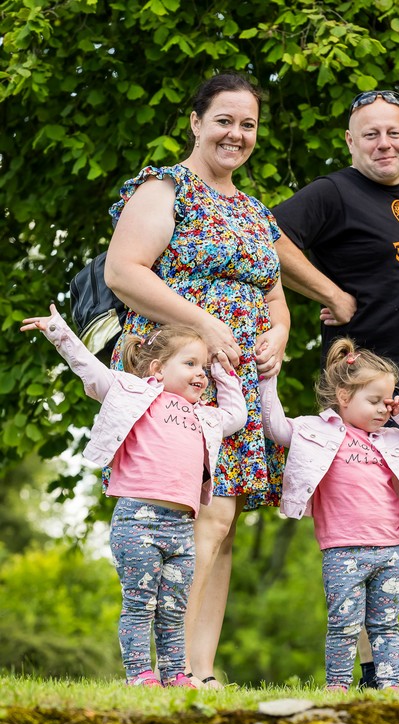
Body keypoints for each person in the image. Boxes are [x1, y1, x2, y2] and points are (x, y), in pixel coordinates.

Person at [273, 89, 399, 691]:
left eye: (394, 133)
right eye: (371, 134)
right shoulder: (333, 192)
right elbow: (262, 235)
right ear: (350, 141)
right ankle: (371, 673)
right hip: (373, 397)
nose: (385, 144)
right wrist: (330, 294)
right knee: (364, 537)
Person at [104, 73, 290, 689]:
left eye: (248, 125)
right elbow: (123, 272)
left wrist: (278, 334)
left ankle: (200, 670)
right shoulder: (165, 189)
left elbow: (274, 297)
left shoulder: (255, 211)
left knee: (223, 521)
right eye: (224, 121)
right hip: (180, 374)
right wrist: (207, 325)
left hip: (237, 380)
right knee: (195, 515)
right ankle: (168, 668)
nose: (236, 134)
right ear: (196, 122)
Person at [21, 305, 247, 687]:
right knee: (141, 604)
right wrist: (58, 331)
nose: (200, 374)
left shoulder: (205, 416)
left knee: (174, 607)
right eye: (190, 364)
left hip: (181, 527)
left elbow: (237, 415)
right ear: (158, 369)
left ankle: (174, 674)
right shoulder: (133, 394)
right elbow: (89, 369)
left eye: (203, 368)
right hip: (138, 520)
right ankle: (140, 674)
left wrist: (224, 372)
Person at [260, 337, 399, 691]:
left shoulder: (391, 439)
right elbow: (275, 427)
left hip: (389, 549)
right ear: (343, 396)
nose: (383, 410)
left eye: (388, 401)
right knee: (344, 624)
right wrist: (269, 379)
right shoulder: (317, 430)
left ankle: (391, 685)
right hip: (342, 550)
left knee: (386, 625)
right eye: (374, 401)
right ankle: (337, 685)